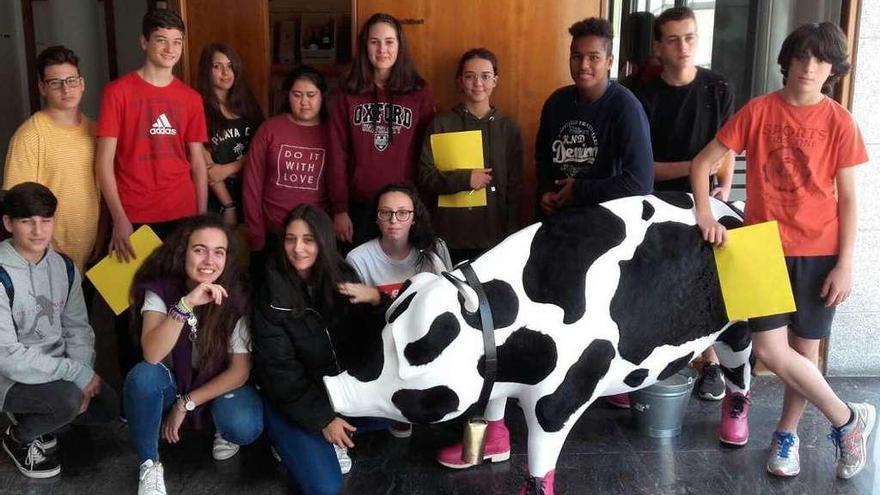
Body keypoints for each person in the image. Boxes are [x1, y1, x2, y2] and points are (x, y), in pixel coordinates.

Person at [691, 22, 874, 479]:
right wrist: (705, 214)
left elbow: (849, 200)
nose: (809, 67)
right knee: (770, 351)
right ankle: (848, 419)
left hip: (820, 251)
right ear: (787, 61)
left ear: (832, 68)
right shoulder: (759, 111)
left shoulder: (839, 121)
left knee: (803, 353)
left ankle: (786, 436)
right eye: (801, 57)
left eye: (820, 60)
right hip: (761, 247)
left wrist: (847, 264)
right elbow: (702, 163)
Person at [96, 9, 209, 382]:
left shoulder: (190, 98)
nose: (170, 49)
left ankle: (177, 383)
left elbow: (196, 163)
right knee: (127, 304)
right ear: (144, 42)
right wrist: (119, 218)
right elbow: (104, 163)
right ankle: (135, 387)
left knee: (179, 302)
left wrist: (201, 221)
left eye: (177, 42)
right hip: (134, 216)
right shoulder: (118, 92)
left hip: (181, 215)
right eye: (161, 40)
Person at [629, 7, 735, 406]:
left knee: (705, 282)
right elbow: (642, 165)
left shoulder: (717, 87)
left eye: (690, 37)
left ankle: (710, 360)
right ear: (659, 47)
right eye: (673, 39)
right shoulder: (642, 95)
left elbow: (729, 148)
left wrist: (721, 186)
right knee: (656, 283)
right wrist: (698, 167)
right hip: (654, 198)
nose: (684, 46)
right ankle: (656, 364)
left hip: (704, 202)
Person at [252, 204, 390, 495]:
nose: (298, 248)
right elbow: (280, 373)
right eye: (291, 239)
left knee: (400, 411)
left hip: (338, 390)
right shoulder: (270, 292)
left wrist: (377, 299)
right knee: (324, 487)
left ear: (323, 241)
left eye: (308, 239)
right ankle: (284, 438)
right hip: (291, 399)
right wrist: (323, 419)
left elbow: (376, 338)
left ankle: (329, 433)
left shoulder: (342, 274)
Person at [124, 214, 262, 495]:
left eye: (218, 252)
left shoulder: (237, 296)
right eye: (200, 250)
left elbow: (240, 370)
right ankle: (150, 464)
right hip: (171, 380)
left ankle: (218, 424)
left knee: (243, 426)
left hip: (215, 386)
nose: (209, 261)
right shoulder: (161, 287)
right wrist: (184, 306)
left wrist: (186, 403)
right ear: (182, 251)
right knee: (142, 377)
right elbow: (152, 354)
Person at [0, 183, 117, 479]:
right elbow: (8, 357)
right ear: (8, 223)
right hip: (8, 376)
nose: (38, 231)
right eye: (27, 221)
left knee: (109, 405)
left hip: (54, 371)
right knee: (68, 401)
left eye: (46, 220)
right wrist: (74, 375)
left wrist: (80, 370)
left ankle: (42, 414)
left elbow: (78, 328)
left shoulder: (63, 266)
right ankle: (19, 436)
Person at [328, 12, 435, 248]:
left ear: (400, 45)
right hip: (359, 206)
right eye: (374, 42)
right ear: (365, 46)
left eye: (389, 42)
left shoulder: (418, 92)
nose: (382, 50)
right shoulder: (347, 93)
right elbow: (337, 152)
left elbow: (428, 154)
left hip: (404, 208)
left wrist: (422, 205)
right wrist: (339, 208)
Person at [535, 17, 653, 219]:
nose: (583, 65)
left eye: (594, 57)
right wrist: (545, 192)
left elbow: (640, 182)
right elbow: (543, 161)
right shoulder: (555, 103)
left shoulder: (626, 107)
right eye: (576, 56)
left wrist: (578, 191)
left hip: (607, 224)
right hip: (558, 221)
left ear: (609, 62)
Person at [418, 48, 523, 264]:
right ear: (459, 81)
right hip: (450, 235)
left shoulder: (508, 127)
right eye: (470, 76)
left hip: (495, 237)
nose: (478, 83)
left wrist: (512, 233)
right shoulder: (441, 124)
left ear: (495, 80)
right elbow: (425, 176)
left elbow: (516, 186)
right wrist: (465, 179)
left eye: (485, 76)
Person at [3, 45, 100, 271]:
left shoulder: (96, 131)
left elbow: (101, 192)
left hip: (89, 250)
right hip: (45, 256)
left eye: (72, 80)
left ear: (82, 83)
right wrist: (41, 249)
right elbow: (19, 204)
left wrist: (102, 237)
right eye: (55, 82)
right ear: (42, 88)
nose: (66, 89)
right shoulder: (29, 135)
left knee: (82, 306)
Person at [243, 66, 329, 253]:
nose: (304, 102)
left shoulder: (332, 132)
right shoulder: (270, 128)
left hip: (317, 233)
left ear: (322, 96)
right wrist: (255, 229)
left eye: (311, 95)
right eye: (297, 95)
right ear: (287, 96)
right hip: (274, 231)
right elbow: (252, 182)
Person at [196, 42, 264, 226]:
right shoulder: (199, 108)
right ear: (206, 71)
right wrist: (229, 205)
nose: (225, 73)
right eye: (217, 66)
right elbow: (210, 173)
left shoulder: (248, 103)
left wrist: (230, 168)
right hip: (218, 194)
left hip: (251, 186)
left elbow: (262, 150)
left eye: (230, 66)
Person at [346, 182, 452, 298]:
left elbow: (449, 299)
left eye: (402, 213)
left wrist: (377, 297)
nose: (393, 220)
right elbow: (357, 313)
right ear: (376, 218)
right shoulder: (358, 259)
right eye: (385, 212)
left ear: (414, 218)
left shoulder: (435, 248)